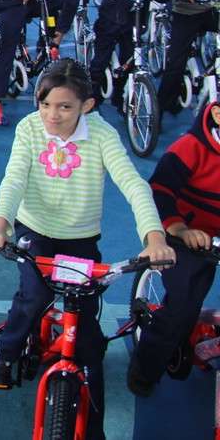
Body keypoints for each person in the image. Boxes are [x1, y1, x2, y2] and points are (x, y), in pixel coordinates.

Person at [0, 58, 174, 440]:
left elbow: (134, 185)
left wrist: (155, 236)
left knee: (87, 338)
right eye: (45, 104)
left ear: (86, 106)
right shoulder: (30, 129)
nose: (53, 115)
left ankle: (95, 425)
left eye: (65, 106)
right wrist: (0, 222)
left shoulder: (101, 135)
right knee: (34, 293)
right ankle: (7, 348)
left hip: (80, 239)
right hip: (34, 230)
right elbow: (15, 177)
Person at [128, 99, 220, 397]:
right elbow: (161, 191)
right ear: (217, 113)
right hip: (187, 235)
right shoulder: (191, 147)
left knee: (191, 305)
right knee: (182, 305)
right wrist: (180, 228)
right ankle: (146, 365)